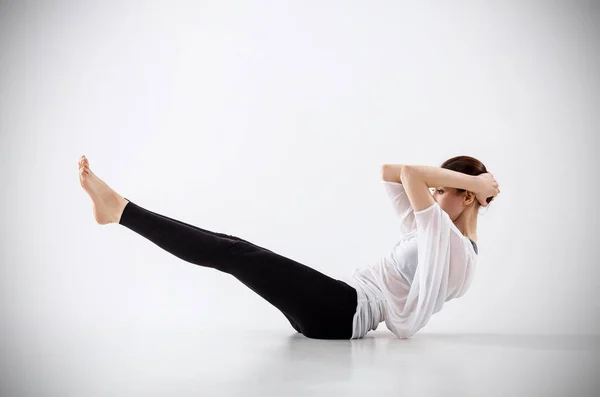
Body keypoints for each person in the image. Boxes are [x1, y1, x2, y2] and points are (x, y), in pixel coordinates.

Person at [77, 154, 499, 340]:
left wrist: (474, 185)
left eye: (445, 190)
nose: (435, 194)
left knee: (233, 252)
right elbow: (391, 173)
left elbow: (409, 172)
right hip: (336, 308)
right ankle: (118, 211)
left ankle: (119, 211)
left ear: (465, 199)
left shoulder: (445, 241)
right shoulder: (437, 238)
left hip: (341, 309)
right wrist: (472, 190)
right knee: (232, 249)